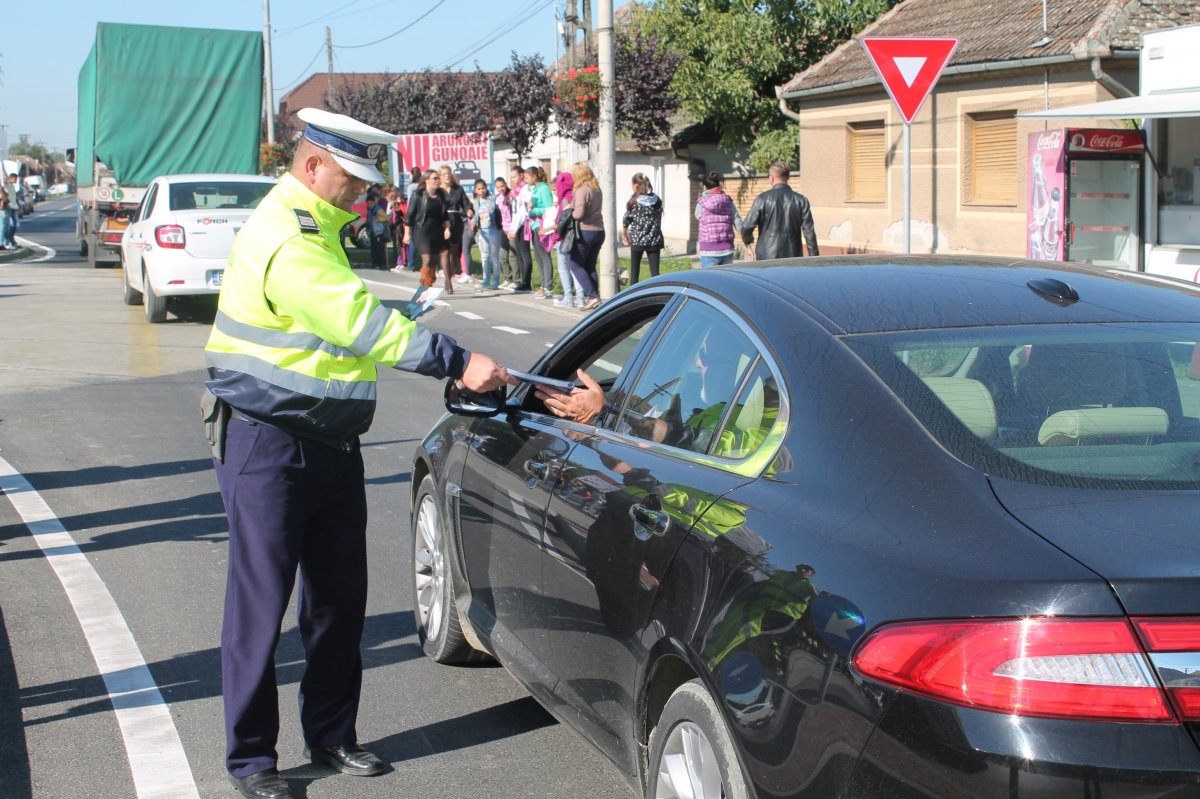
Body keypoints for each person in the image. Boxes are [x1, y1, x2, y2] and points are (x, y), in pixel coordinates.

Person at [203, 107, 514, 799]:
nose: (365, 193)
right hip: (268, 441)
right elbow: (351, 319)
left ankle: (332, 734)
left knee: (339, 600)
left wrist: (403, 319)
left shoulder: (321, 229)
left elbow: (336, 327)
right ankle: (252, 761)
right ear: (312, 166)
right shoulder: (287, 234)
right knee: (260, 607)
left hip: (327, 440)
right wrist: (455, 359)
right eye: (353, 179)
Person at [741, 161, 819, 260]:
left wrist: (748, 243)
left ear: (771, 178)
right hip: (793, 256)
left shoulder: (762, 199)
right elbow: (809, 233)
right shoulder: (801, 200)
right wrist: (814, 259)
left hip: (766, 257)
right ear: (787, 177)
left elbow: (746, 228)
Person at [405, 169, 454, 294]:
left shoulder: (441, 194)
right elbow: (410, 215)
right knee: (427, 259)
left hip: (438, 229)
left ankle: (448, 281)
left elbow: (445, 215)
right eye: (435, 178)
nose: (438, 181)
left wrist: (447, 228)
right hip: (422, 231)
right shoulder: (418, 194)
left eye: (438, 178)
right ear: (427, 180)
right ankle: (426, 286)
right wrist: (406, 233)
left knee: (444, 253)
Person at [567, 162, 605, 311]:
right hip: (599, 230)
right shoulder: (596, 188)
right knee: (589, 265)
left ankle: (592, 296)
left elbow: (579, 213)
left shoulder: (582, 190)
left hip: (585, 231)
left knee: (574, 264)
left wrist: (571, 214)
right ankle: (595, 297)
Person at [621, 173, 664, 284]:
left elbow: (626, 220)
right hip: (654, 240)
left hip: (637, 240)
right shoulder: (657, 201)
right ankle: (657, 294)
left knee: (634, 274)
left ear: (635, 186)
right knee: (655, 274)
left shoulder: (634, 202)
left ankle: (632, 296)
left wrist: (624, 236)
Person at [695, 172, 743, 267]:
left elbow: (698, 216)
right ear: (719, 184)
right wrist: (745, 238)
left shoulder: (702, 203)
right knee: (725, 280)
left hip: (708, 249)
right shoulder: (728, 201)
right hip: (727, 248)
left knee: (708, 280)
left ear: (705, 186)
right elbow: (737, 220)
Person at [552, 171, 584, 308]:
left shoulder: (565, 198)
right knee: (575, 267)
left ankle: (568, 297)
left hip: (565, 237)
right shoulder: (576, 194)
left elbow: (562, 220)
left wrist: (553, 231)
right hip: (577, 236)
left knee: (564, 267)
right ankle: (581, 297)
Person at [526, 166, 556, 299]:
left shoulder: (543, 189)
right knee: (538, 256)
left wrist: (534, 210)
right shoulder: (535, 189)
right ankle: (543, 285)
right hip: (534, 225)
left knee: (544, 256)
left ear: (534, 177)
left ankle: (548, 287)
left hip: (542, 225)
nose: (526, 181)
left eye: (527, 178)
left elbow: (548, 208)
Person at [438, 165, 471, 284]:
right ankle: (447, 278)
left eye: (449, 173)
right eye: (444, 174)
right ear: (440, 177)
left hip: (456, 220)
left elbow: (466, 203)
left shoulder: (458, 189)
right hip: (441, 221)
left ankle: (449, 275)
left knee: (453, 252)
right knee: (444, 251)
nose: (447, 176)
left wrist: (469, 210)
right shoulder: (437, 190)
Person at [469, 178, 501, 289]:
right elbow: (476, 216)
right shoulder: (476, 202)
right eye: (479, 189)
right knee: (484, 256)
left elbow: (492, 210)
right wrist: (473, 222)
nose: (482, 191)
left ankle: (496, 279)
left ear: (486, 188)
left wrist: (487, 204)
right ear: (475, 190)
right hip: (482, 230)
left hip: (493, 229)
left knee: (494, 256)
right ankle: (486, 278)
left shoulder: (492, 199)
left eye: (483, 188)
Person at [507, 166, 533, 294]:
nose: (512, 179)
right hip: (517, 225)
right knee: (520, 255)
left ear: (521, 175)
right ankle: (523, 282)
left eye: (515, 177)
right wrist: (512, 228)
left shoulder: (525, 189)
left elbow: (523, 211)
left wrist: (515, 228)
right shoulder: (515, 191)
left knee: (524, 254)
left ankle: (526, 283)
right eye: (511, 177)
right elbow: (514, 212)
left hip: (523, 225)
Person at [493, 176, 517, 289]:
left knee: (513, 256)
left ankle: (516, 280)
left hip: (512, 228)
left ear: (506, 184)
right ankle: (508, 278)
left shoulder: (511, 195)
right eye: (498, 187)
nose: (500, 189)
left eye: (502, 186)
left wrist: (514, 228)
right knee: (502, 256)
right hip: (503, 229)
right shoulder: (498, 198)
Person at [367, 190, 390, 269]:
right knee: (374, 249)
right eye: (368, 204)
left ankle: (382, 264)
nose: (369, 205)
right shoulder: (370, 210)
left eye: (370, 203)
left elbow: (386, 218)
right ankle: (375, 263)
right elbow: (369, 220)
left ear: (374, 202)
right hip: (373, 231)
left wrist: (379, 219)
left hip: (380, 232)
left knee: (380, 249)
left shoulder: (378, 209)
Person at [2, 174, 19, 249]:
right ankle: (7, 241)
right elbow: (6, 196)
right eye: (15, 179)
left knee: (14, 225)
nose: (16, 180)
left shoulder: (12, 186)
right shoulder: (7, 186)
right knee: (7, 225)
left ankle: (11, 240)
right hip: (9, 207)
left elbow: (13, 197)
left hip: (13, 207)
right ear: (11, 178)